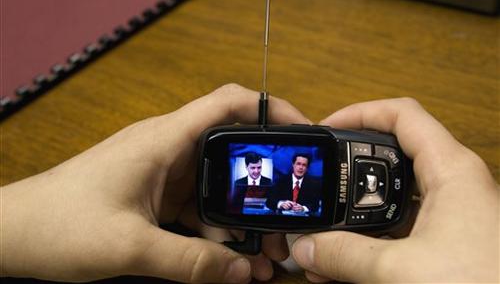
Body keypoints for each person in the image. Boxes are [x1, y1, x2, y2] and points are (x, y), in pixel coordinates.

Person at [0, 84, 498, 283]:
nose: (295, 170)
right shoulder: (262, 182)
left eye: (301, 167)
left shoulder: (291, 174)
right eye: (294, 167)